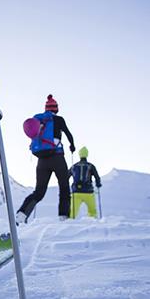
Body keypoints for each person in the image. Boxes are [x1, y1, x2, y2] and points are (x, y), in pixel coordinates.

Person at [16, 95, 76, 224]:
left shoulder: (39, 120)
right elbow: (68, 134)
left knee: (39, 192)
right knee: (64, 187)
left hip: (42, 160)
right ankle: (63, 217)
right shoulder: (59, 120)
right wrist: (72, 146)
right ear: (56, 109)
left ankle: (21, 215)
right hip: (57, 157)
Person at [69, 146, 102, 218]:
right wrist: (98, 184)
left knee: (73, 212)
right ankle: (94, 224)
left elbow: (66, 177)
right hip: (88, 192)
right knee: (92, 211)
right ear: (87, 154)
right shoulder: (91, 166)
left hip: (76, 192)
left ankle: (70, 223)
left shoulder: (74, 166)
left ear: (79, 154)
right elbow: (97, 177)